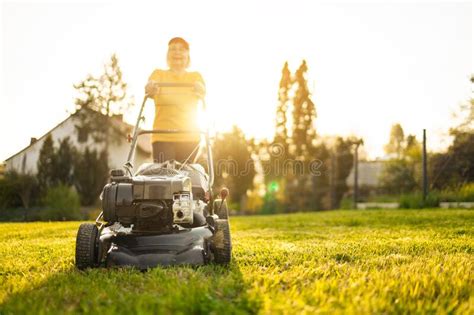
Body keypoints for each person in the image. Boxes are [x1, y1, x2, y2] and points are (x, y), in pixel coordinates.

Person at [145, 37, 206, 163]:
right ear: (168, 55)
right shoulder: (158, 74)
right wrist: (151, 87)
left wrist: (200, 88)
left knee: (185, 177)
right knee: (165, 176)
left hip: (190, 138)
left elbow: (202, 90)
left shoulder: (195, 76)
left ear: (188, 55)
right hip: (162, 137)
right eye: (173, 49)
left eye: (181, 49)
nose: (177, 52)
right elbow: (149, 86)